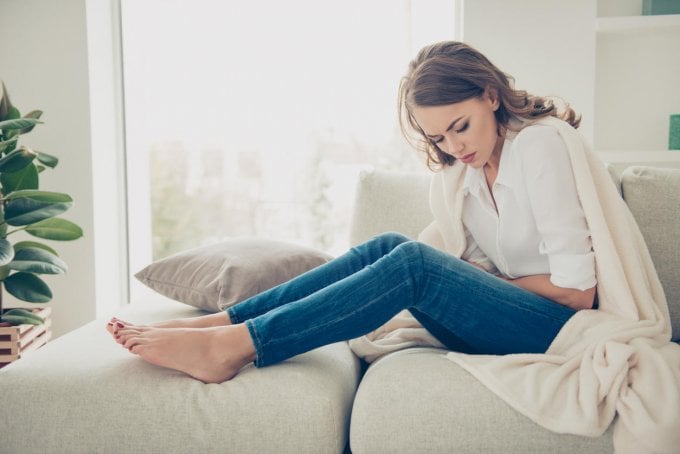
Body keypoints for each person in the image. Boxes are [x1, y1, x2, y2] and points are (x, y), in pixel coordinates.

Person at [107, 41, 597, 384]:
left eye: (460, 126)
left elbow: (577, 292)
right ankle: (222, 323)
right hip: (504, 317)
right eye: (438, 138)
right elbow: (475, 258)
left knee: (414, 265)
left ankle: (235, 347)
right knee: (390, 246)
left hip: (553, 327)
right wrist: (471, 278)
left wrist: (480, 285)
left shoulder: (539, 146)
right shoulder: (467, 174)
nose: (454, 146)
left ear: (491, 95)